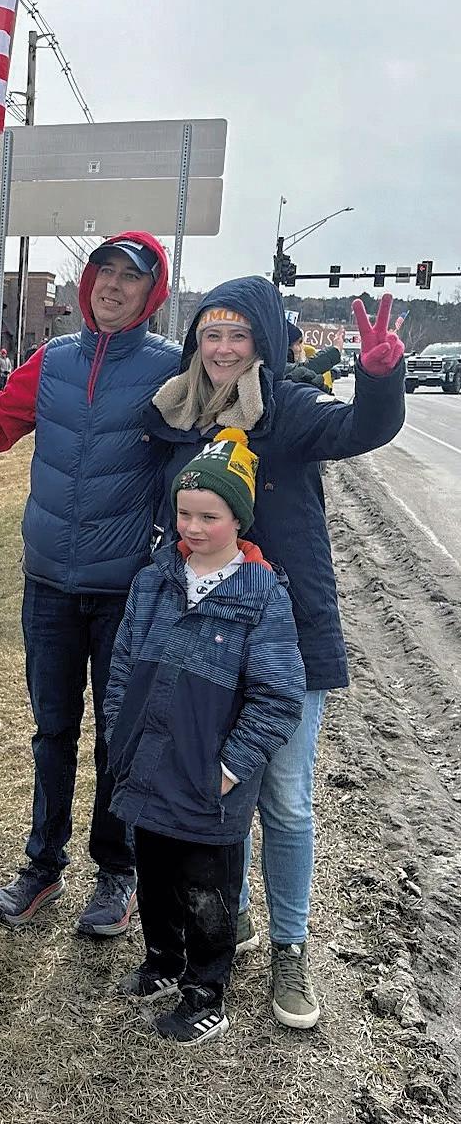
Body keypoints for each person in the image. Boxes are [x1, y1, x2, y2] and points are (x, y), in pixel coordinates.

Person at [145, 282, 404, 1030]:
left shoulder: (287, 408)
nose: (223, 349)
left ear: (261, 343)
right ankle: (234, 914)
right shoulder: (176, 413)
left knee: (285, 798)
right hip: (205, 634)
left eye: (238, 336)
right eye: (211, 335)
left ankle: (291, 945)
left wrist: (380, 379)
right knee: (221, 791)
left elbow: (360, 427)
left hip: (289, 634)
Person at [0, 234, 179, 938]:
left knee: (119, 736)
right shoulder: (52, 361)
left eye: (129, 278)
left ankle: (117, 870)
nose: (112, 286)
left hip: (125, 590)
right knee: (52, 730)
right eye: (103, 272)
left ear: (151, 293)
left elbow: (204, 448)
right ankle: (42, 865)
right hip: (48, 583)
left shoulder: (170, 370)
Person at [104, 428, 304, 1044]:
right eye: (184, 514)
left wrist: (229, 769)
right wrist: (120, 738)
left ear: (239, 519)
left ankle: (206, 991)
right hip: (149, 764)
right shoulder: (153, 581)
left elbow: (278, 696)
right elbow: (121, 667)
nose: (192, 527)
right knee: (156, 873)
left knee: (206, 889)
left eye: (209, 517)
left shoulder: (262, 595)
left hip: (211, 779)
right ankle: (163, 960)